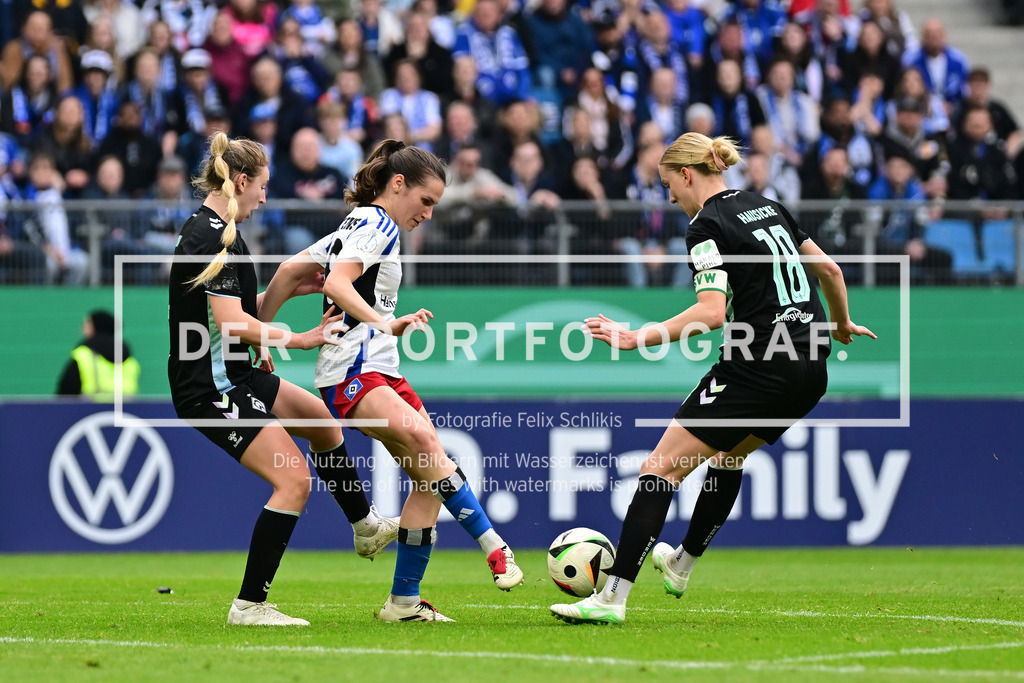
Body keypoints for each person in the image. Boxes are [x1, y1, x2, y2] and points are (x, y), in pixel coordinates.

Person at [550, 133, 875, 625]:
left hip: (759, 364)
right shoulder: (770, 206)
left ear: (686, 174)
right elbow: (830, 270)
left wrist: (638, 337)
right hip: (811, 370)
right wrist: (841, 321)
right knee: (729, 456)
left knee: (658, 471)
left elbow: (711, 311)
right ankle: (681, 564)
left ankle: (610, 599)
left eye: (667, 185)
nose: (670, 198)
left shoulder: (707, 225)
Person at [259, 139, 524, 623]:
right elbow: (337, 284)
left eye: (435, 206)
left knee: (430, 472)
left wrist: (258, 333)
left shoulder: (359, 223)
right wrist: (383, 323)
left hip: (383, 368)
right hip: (353, 371)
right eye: (425, 201)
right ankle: (495, 546)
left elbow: (288, 270)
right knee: (426, 443)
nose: (427, 213)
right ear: (398, 184)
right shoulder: (376, 222)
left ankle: (403, 601)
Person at [168, 131, 399, 627]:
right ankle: (249, 606)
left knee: (322, 422)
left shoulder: (220, 230)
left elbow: (228, 317)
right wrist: (298, 338)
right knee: (293, 481)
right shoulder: (210, 236)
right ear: (243, 181)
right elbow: (231, 322)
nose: (265, 198)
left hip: (235, 373)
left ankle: (365, 526)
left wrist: (275, 316)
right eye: (263, 187)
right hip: (210, 391)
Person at [57, 310, 141, 399]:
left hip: (87, 410)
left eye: (86, 323)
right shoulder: (130, 360)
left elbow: (66, 392)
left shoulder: (83, 355)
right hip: (127, 410)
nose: (82, 327)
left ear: (93, 327)